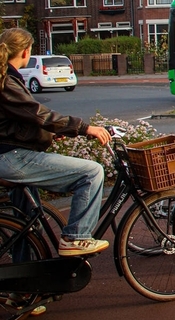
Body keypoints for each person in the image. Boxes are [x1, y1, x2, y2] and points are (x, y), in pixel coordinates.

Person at [0, 27, 111, 256]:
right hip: (12, 157)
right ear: (25, 51)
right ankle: (76, 238)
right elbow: (38, 114)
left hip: (9, 154)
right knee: (91, 173)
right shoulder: (7, 82)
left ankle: (25, 285)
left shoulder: (6, 78)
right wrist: (84, 128)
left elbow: (16, 125)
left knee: (28, 220)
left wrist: (50, 134)